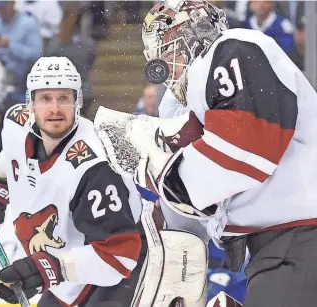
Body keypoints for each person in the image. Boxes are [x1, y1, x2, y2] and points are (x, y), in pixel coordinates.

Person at [109, 1, 317, 306]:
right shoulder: (192, 98)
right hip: (275, 247)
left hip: (299, 238)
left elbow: (248, 148)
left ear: (194, 33)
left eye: (168, 50)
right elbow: (210, 194)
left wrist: (168, 178)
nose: (165, 65)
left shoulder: (235, 48)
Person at [0, 56, 152, 307]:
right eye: (45, 98)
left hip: (117, 274)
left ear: (77, 102)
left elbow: (119, 256)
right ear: (30, 103)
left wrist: (47, 268)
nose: (55, 109)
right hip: (67, 275)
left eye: (64, 98)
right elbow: (6, 163)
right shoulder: (15, 123)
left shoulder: (95, 166)